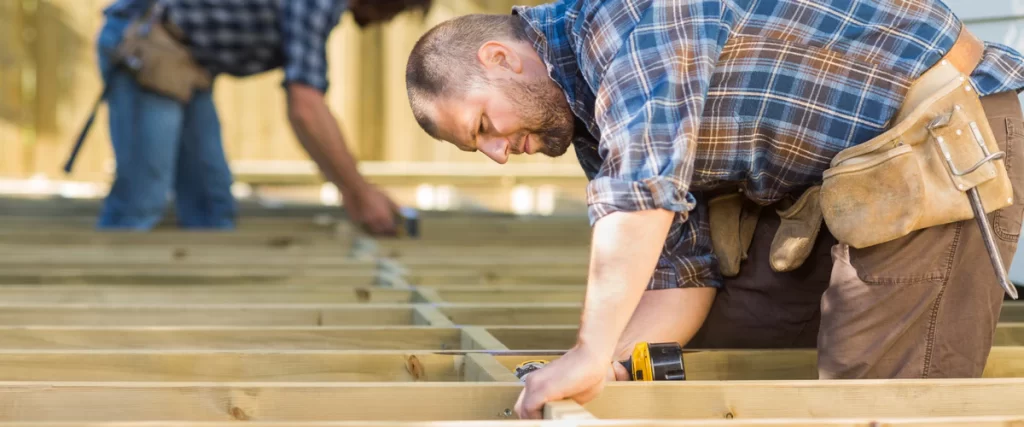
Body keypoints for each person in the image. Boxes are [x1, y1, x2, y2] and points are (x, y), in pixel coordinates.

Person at [403, 0, 1024, 419]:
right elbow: (682, 272)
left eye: (482, 125)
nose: (497, 154)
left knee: (872, 397)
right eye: (478, 147)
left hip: (935, 142)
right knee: (729, 343)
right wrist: (606, 366)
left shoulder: (627, 19)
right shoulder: (588, 116)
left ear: (500, 58)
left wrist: (589, 350)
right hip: (838, 186)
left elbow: (641, 191)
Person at [89, 0, 430, 232]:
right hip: (146, 41)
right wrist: (359, 194)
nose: (391, 18)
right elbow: (306, 108)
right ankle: (110, 303)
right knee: (142, 198)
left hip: (188, 61)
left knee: (211, 206)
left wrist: (356, 193)